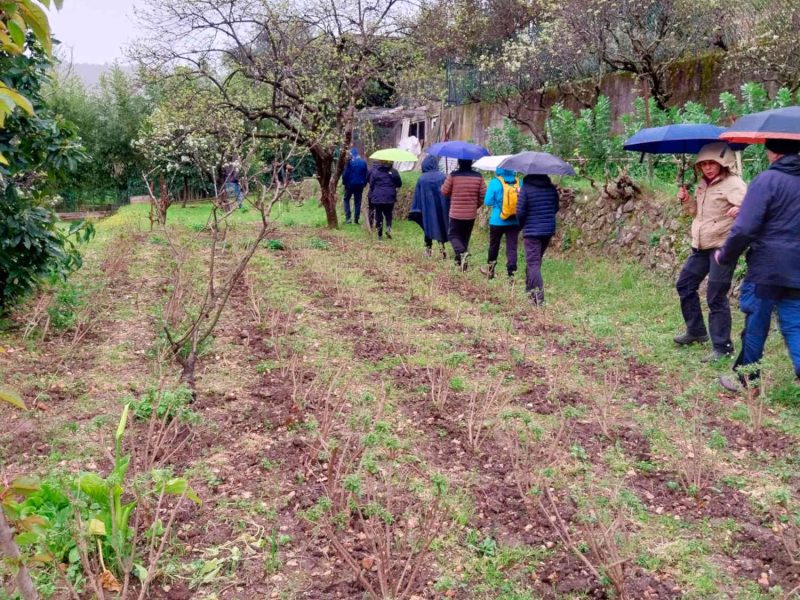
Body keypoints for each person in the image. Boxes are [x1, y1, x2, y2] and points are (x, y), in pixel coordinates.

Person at [716, 138, 800, 391]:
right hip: (797, 269)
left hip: (766, 268)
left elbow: (744, 228)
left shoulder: (766, 181)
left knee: (755, 325)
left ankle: (747, 381)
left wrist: (725, 254)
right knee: (795, 324)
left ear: (772, 152)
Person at [673, 142, 747, 361]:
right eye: (703, 164)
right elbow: (697, 213)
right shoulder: (703, 185)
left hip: (722, 246)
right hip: (701, 246)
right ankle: (696, 331)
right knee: (685, 285)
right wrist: (687, 201)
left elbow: (752, 208)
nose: (707, 168)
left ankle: (723, 348)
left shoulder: (733, 183)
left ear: (722, 163)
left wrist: (740, 210)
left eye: (711, 163)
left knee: (715, 296)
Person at [516, 174, 559, 305]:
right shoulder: (551, 188)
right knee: (536, 261)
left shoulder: (526, 188)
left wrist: (522, 225)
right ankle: (529, 289)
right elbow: (556, 207)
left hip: (532, 231)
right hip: (547, 230)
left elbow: (520, 211)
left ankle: (538, 298)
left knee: (533, 263)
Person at [441, 159, 486, 270]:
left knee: (453, 235)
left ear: (459, 163)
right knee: (464, 238)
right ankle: (461, 265)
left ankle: (462, 253)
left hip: (456, 213)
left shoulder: (453, 175)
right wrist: (476, 205)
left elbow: (444, 191)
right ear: (471, 163)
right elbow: (484, 195)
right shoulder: (478, 176)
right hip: (470, 214)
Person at [480, 167, 520, 280]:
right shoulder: (518, 181)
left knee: (494, 246)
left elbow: (487, 202)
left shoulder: (495, 182)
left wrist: (498, 203)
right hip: (514, 220)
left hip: (497, 220)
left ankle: (491, 271)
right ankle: (511, 275)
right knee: (512, 247)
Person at [408, 155, 449, 258]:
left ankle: (428, 250)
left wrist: (416, 209)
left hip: (426, 207)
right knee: (440, 224)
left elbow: (417, 195)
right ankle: (442, 250)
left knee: (427, 226)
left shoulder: (422, 179)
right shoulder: (443, 176)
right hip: (441, 207)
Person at [366, 160, 401, 240]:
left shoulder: (375, 172)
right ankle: (388, 229)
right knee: (388, 214)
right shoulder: (394, 172)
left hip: (378, 197)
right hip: (390, 196)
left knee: (378, 215)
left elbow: (371, 185)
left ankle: (380, 235)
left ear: (381, 163)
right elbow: (399, 184)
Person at [342, 148, 368, 224]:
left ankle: (348, 218)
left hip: (349, 185)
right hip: (360, 185)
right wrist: (364, 184)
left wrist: (344, 183)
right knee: (358, 202)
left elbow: (345, 174)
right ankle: (356, 219)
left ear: (351, 154)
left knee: (346, 199)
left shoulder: (349, 163)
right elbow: (366, 174)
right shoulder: (363, 162)